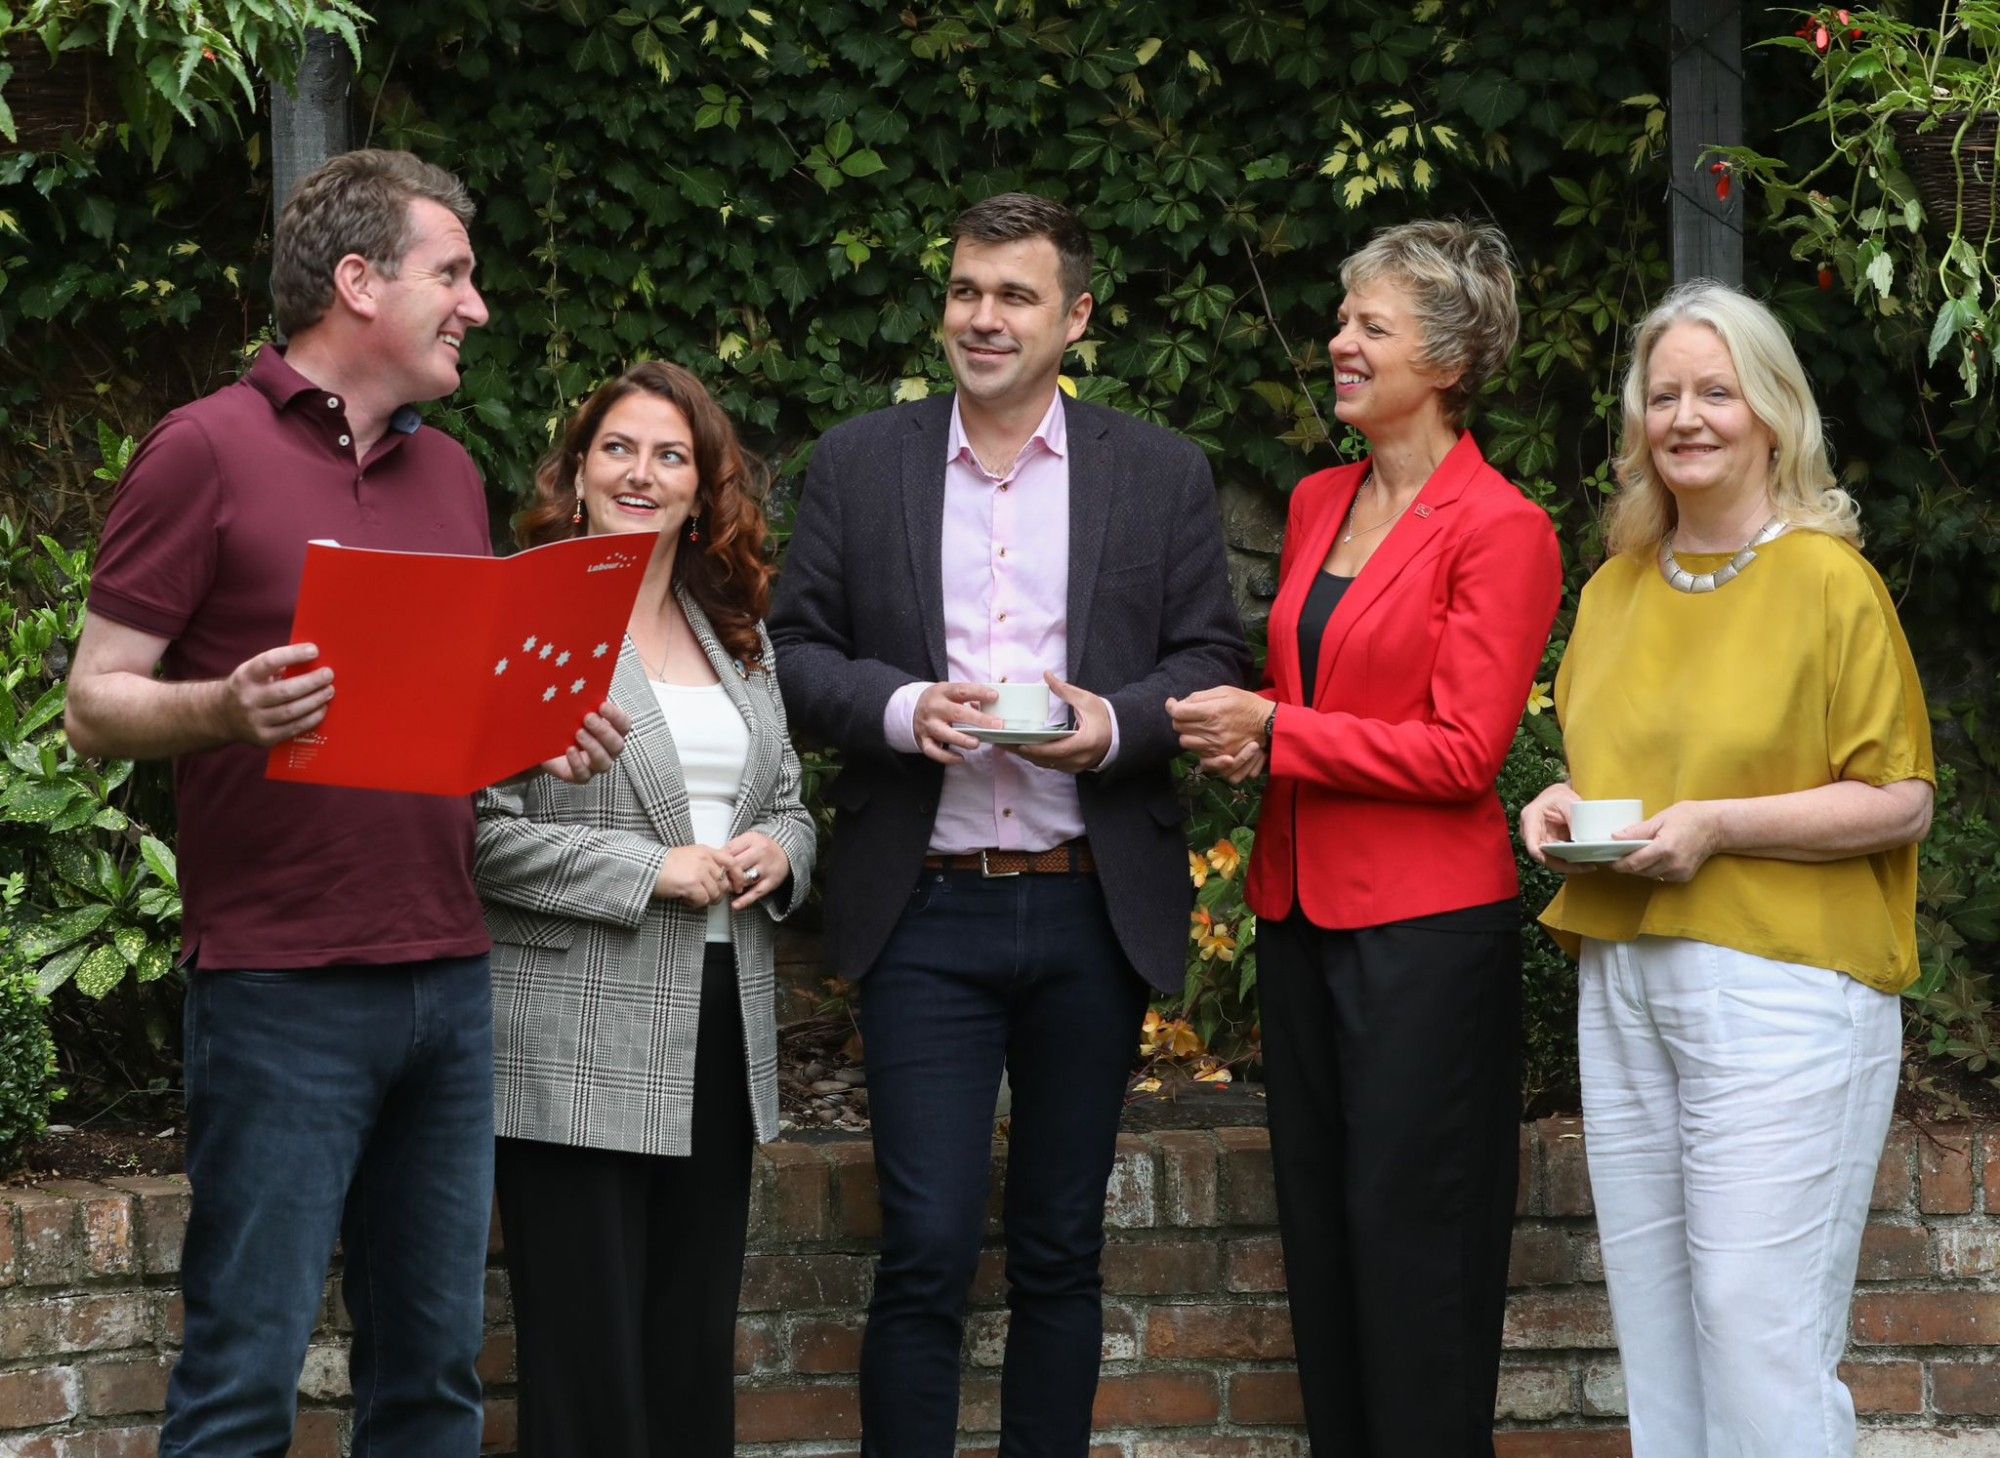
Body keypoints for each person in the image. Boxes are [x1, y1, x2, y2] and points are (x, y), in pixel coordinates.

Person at [64, 150, 626, 1457]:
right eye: (455, 274)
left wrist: (540, 729)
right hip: (279, 990)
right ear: (358, 282)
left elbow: (434, 727)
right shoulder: (202, 452)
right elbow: (95, 704)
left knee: (431, 1383)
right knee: (242, 1383)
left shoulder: (453, 480)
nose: (476, 305)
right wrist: (224, 708)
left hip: (445, 974)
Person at [769, 191, 1248, 1457]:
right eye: (966, 291)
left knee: (1057, 1247)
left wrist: (1114, 726)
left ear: (1074, 316)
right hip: (921, 902)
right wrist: (894, 705)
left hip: (1089, 899)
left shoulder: (1157, 472)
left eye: (1015, 295)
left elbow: (1207, 651)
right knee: (922, 1246)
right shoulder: (862, 459)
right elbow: (795, 650)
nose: (983, 318)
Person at [1519, 281, 1932, 1458]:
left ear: (1769, 414)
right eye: (1662, 395)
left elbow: (1899, 797)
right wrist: (1555, 801)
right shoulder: (1611, 588)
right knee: (1656, 1329)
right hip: (1627, 975)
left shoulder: (1822, 580)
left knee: (1757, 1328)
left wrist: (1717, 827)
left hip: (1786, 986)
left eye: (1715, 390)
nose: (1685, 416)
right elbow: (1621, 776)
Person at [1168, 219, 1561, 1456]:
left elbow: (1462, 754)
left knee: (1414, 1253)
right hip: (1296, 914)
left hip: (1425, 940)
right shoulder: (1313, 500)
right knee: (1326, 1240)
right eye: (1342, 322)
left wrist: (1280, 732)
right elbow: (1320, 696)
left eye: (1367, 327)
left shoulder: (1501, 528)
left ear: (1443, 360)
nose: (1336, 343)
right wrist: (1251, 743)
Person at [472, 361, 814, 1457]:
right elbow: (472, 833)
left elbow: (794, 799)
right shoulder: (523, 614)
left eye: (671, 455)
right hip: (572, 1032)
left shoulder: (738, 631)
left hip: (720, 1022)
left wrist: (779, 852)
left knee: (687, 1345)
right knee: (586, 1365)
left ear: (701, 488)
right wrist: (646, 873)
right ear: (575, 474)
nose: (641, 472)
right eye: (617, 448)